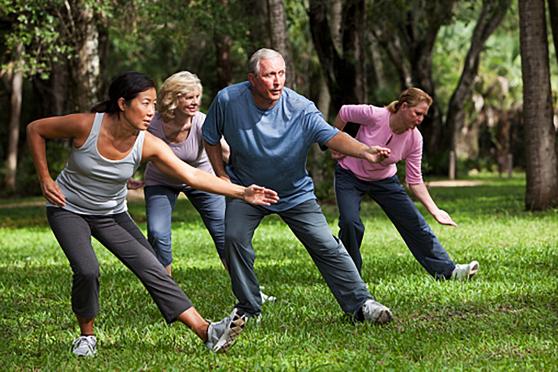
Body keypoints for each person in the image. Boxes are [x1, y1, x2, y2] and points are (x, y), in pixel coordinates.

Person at [26, 71, 279, 356]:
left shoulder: (147, 143)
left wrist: (242, 192)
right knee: (87, 269)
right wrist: (45, 179)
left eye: (154, 104)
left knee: (154, 269)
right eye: (145, 103)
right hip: (68, 209)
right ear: (123, 104)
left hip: (111, 214)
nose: (151, 112)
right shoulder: (87, 125)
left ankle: (206, 332)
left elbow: (191, 175)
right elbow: (36, 129)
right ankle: (86, 337)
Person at [202, 48, 393, 324]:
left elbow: (330, 135)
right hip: (248, 191)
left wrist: (365, 152)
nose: (277, 81)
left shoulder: (300, 107)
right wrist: (221, 175)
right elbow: (210, 137)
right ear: (252, 79)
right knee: (233, 238)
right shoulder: (228, 100)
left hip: (294, 192)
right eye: (269, 75)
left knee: (326, 244)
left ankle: (361, 305)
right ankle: (249, 307)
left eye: (281, 74)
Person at [138, 71, 275, 303]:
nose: (195, 102)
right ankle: (169, 299)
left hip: (201, 180)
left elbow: (226, 152)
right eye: (188, 97)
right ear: (173, 98)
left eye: (198, 96)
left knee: (225, 235)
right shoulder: (153, 124)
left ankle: (252, 292)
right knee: (158, 234)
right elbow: (133, 150)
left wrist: (255, 168)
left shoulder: (201, 122)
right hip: (161, 182)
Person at [332, 87, 479, 280]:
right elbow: (344, 112)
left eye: (423, 116)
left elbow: (414, 180)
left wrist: (435, 211)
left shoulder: (415, 139)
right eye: (417, 113)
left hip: (384, 181)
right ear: (403, 106)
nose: (420, 119)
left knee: (415, 223)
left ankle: (449, 272)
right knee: (351, 223)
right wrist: (335, 142)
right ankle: (350, 277)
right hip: (349, 175)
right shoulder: (376, 115)